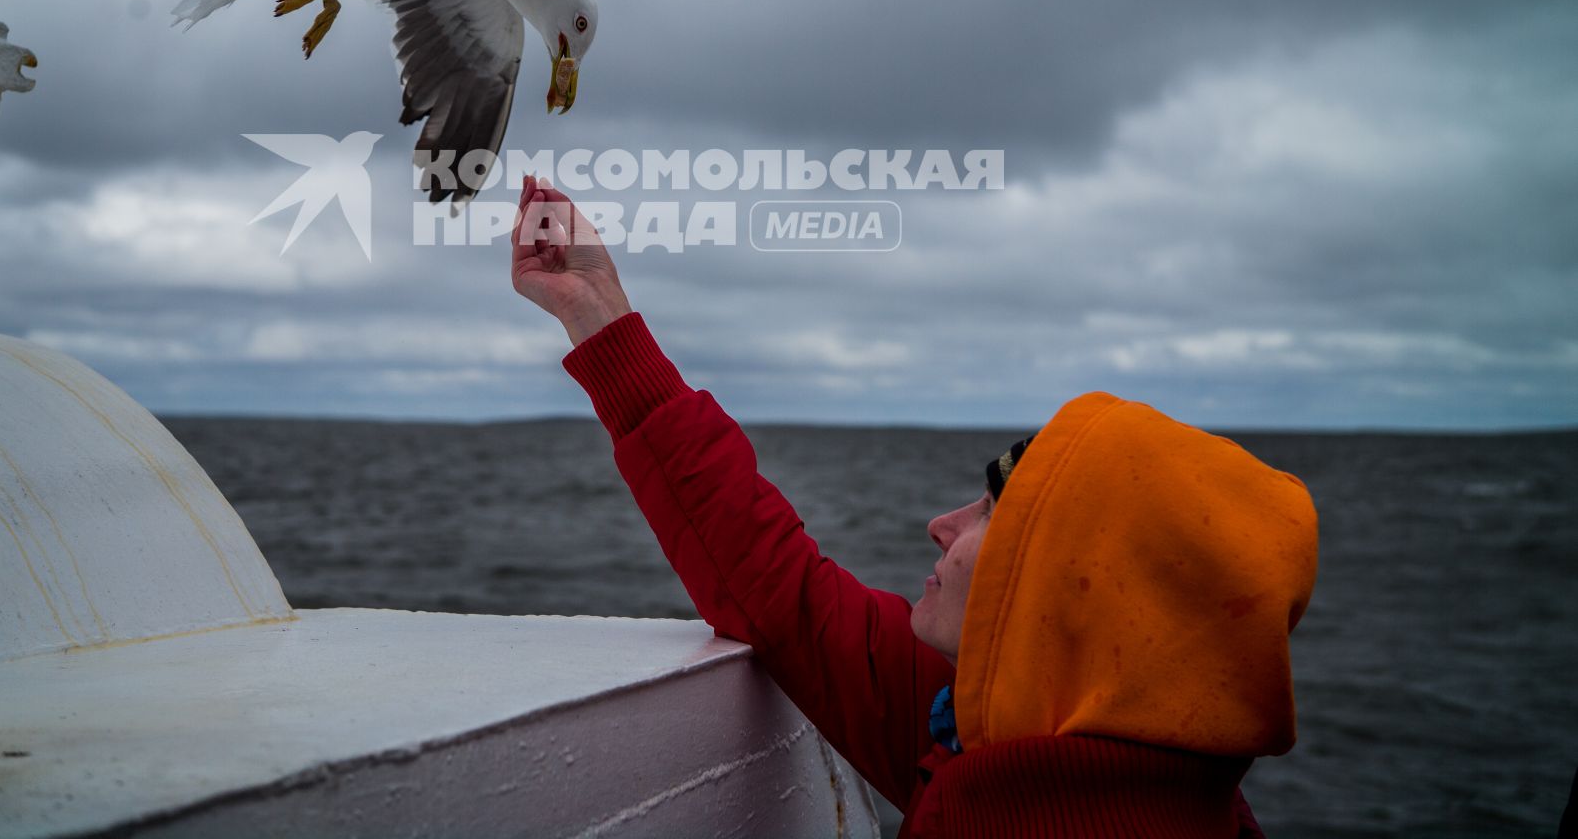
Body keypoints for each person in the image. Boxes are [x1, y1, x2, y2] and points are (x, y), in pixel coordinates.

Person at [509, 178, 1319, 839]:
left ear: (1071, 594)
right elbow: (778, 587)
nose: (944, 524)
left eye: (994, 515)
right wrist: (596, 311)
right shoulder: (988, 730)